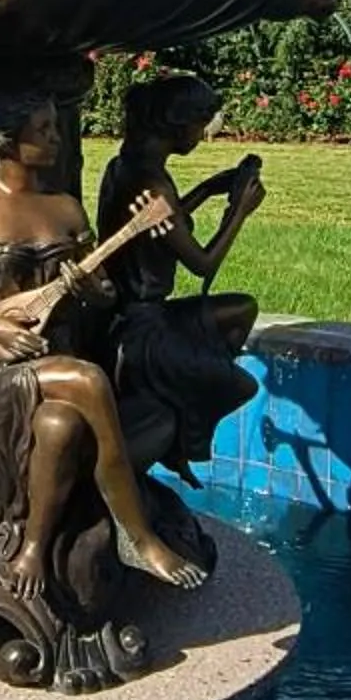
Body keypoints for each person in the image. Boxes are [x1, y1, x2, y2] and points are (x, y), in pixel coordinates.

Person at [0, 94, 208, 599]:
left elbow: (106, 293)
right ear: (9, 141)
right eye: (44, 129)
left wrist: (91, 288)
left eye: (56, 127)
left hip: (58, 359)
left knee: (61, 425)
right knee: (89, 379)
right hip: (1, 370)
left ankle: (34, 547)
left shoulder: (66, 210)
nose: (56, 137)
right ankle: (139, 535)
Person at [97, 73, 264, 475]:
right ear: (177, 123)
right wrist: (239, 211)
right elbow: (201, 264)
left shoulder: (127, 166)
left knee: (242, 309)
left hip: (143, 313)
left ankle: (181, 397)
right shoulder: (152, 184)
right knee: (242, 386)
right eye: (201, 122)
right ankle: (179, 419)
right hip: (141, 328)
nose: (204, 133)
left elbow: (154, 233)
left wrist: (207, 190)